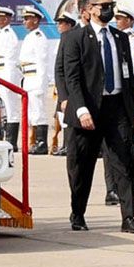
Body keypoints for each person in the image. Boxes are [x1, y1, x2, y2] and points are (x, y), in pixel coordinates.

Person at [60, 0, 134, 234]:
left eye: (111, 5)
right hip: (87, 110)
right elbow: (72, 79)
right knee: (81, 167)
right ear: (89, 10)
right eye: (103, 6)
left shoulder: (120, 38)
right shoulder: (74, 39)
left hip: (117, 108)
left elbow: (129, 78)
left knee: (123, 164)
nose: (108, 10)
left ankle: (128, 217)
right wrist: (81, 110)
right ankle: (78, 213)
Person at [14, 6, 52, 155]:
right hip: (28, 79)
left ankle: (42, 143)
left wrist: (42, 84)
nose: (24, 22)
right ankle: (35, 141)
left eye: (27, 18)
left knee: (39, 112)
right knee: (31, 113)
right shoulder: (30, 36)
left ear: (35, 20)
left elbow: (42, 61)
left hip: (36, 79)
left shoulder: (38, 36)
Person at [0, 6, 22, 149]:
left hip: (7, 73)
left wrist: (6, 78)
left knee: (10, 106)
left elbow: (10, 58)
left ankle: (12, 140)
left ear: (6, 19)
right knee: (2, 106)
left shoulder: (9, 34)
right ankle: (4, 136)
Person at [51, 9, 80, 157]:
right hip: (63, 84)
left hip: (69, 85)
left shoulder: (69, 38)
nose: (59, 25)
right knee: (62, 117)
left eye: (61, 23)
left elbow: (63, 67)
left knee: (68, 116)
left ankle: (69, 145)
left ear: (69, 25)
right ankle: (65, 144)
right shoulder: (63, 38)